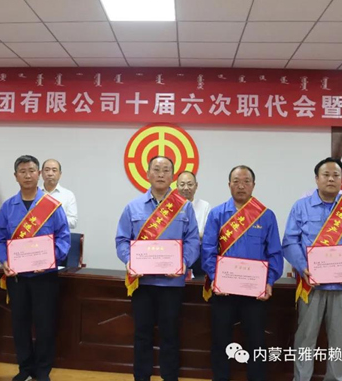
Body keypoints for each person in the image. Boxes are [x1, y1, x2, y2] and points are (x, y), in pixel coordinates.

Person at [282, 157, 342, 381]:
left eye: (336, 175)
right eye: (326, 175)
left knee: (339, 340)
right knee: (305, 337)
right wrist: (303, 267)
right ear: (317, 179)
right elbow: (290, 241)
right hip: (311, 285)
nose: (331, 179)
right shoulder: (301, 206)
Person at [115, 156, 200, 381]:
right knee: (142, 334)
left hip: (171, 283)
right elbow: (122, 240)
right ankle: (141, 377)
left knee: (170, 335)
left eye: (166, 170)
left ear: (172, 176)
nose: (161, 174)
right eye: (156, 169)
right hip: (142, 283)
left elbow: (192, 241)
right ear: (147, 174)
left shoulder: (184, 207)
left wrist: (183, 263)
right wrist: (129, 261)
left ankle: (169, 377)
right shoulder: (132, 207)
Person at [201, 165, 283, 381]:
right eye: (236, 181)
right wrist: (216, 278)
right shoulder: (217, 214)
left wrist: (269, 281)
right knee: (220, 340)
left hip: (254, 293)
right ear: (229, 184)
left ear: (253, 185)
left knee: (256, 342)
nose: (241, 186)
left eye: (246, 181)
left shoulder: (266, 216)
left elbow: (275, 253)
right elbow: (208, 251)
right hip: (223, 292)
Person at [0, 155, 71, 381]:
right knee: (20, 324)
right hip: (17, 277)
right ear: (15, 176)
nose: (27, 175)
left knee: (45, 324)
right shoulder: (8, 207)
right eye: (22, 171)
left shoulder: (52, 206)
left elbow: (64, 238)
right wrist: (4, 260)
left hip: (45, 277)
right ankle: (25, 368)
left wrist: (49, 259)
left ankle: (42, 370)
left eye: (31, 171)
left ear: (39, 174)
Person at [177, 170, 211, 276]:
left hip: (198, 253)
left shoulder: (204, 206)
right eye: (182, 184)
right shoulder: (170, 207)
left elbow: (208, 234)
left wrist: (190, 237)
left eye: (190, 184)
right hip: (176, 252)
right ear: (177, 186)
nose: (186, 188)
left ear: (196, 186)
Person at [41, 159, 78, 229]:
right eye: (47, 170)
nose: (50, 173)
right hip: (39, 235)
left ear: (60, 174)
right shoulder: (34, 193)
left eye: (54, 170)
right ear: (41, 173)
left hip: (60, 235)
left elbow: (73, 222)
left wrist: (55, 220)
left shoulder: (68, 195)